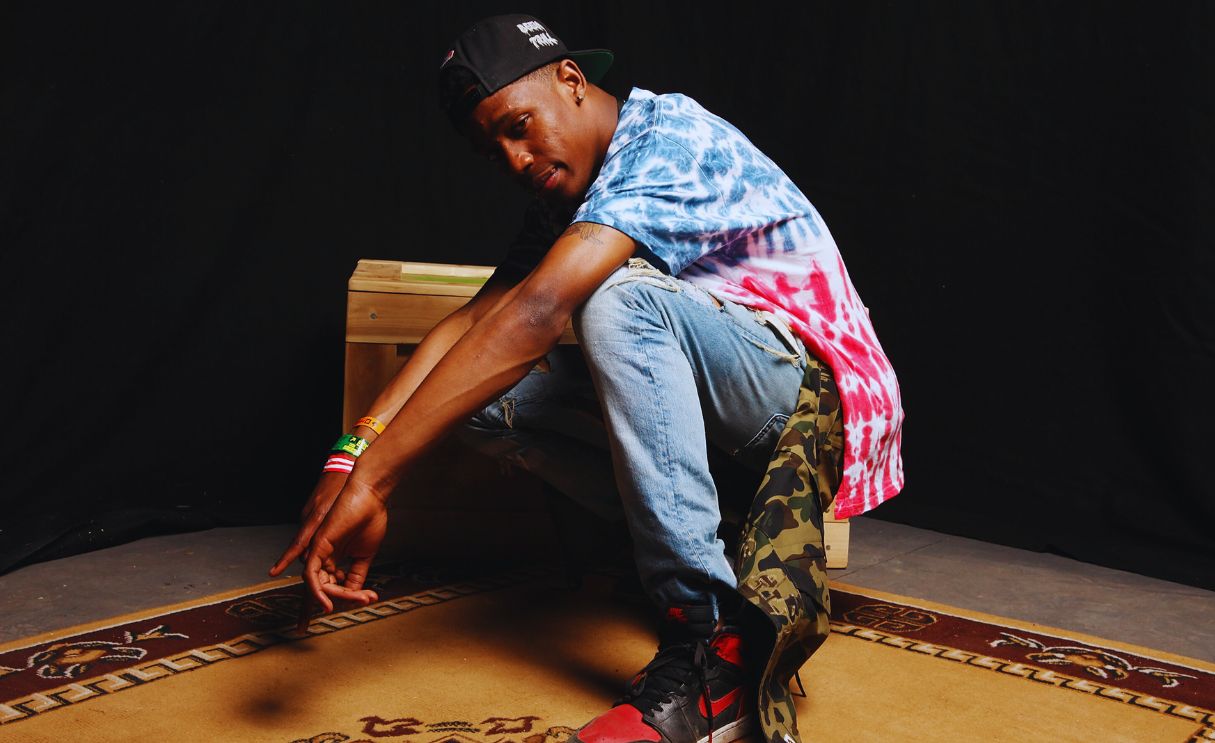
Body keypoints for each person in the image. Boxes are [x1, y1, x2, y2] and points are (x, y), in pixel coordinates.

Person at [270, 13, 904, 743]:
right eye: (492, 149)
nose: (513, 159)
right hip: (733, 391)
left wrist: (377, 482)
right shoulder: (577, 192)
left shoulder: (664, 142)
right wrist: (351, 451)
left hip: (807, 398)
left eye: (518, 126)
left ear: (571, 81)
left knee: (617, 300)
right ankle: (715, 541)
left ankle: (713, 651)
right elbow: (470, 325)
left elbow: (539, 309)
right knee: (483, 400)